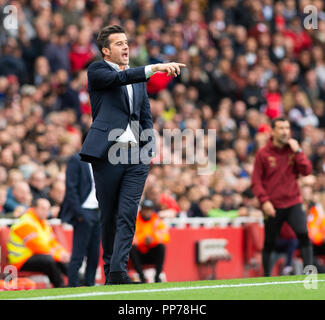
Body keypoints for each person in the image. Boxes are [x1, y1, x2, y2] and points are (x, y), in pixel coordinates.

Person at [79, 25, 185, 285]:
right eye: (118, 44)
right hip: (108, 155)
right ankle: (110, 267)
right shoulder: (97, 71)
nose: (125, 47)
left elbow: (145, 115)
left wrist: (148, 149)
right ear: (106, 51)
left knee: (127, 212)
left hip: (135, 157)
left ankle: (118, 271)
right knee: (109, 214)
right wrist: (155, 68)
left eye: (126, 42)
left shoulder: (137, 80)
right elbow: (118, 79)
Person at [252, 116, 313, 276]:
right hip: (273, 205)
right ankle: (266, 279)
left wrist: (298, 151)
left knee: (304, 236)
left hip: (293, 202)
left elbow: (306, 171)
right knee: (269, 243)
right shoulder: (263, 154)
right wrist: (264, 201)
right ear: (273, 131)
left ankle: (309, 276)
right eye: (281, 128)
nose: (285, 132)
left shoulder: (293, 150)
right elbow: (256, 181)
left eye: (287, 128)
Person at [7, 198, 70, 288]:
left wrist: (63, 253)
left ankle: (78, 282)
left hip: (37, 256)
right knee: (49, 260)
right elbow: (37, 247)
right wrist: (57, 255)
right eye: (43, 209)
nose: (46, 212)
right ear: (34, 208)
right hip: (21, 260)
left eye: (48, 209)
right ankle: (60, 286)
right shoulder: (25, 222)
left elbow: (53, 243)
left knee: (63, 259)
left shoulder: (43, 223)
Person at [59, 152, 101, 287]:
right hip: (84, 211)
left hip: (98, 211)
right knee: (79, 253)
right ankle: (73, 285)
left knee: (94, 253)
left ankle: (90, 283)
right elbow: (71, 188)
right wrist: (80, 213)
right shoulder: (76, 159)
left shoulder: (100, 159)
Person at [129, 199, 170, 283]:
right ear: (141, 210)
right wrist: (144, 240)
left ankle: (157, 276)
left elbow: (166, 237)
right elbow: (132, 238)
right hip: (139, 254)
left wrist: (152, 239)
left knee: (161, 247)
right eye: (145, 209)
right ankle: (142, 277)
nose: (147, 212)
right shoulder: (135, 221)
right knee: (132, 248)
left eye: (149, 209)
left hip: (152, 253)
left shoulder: (157, 221)